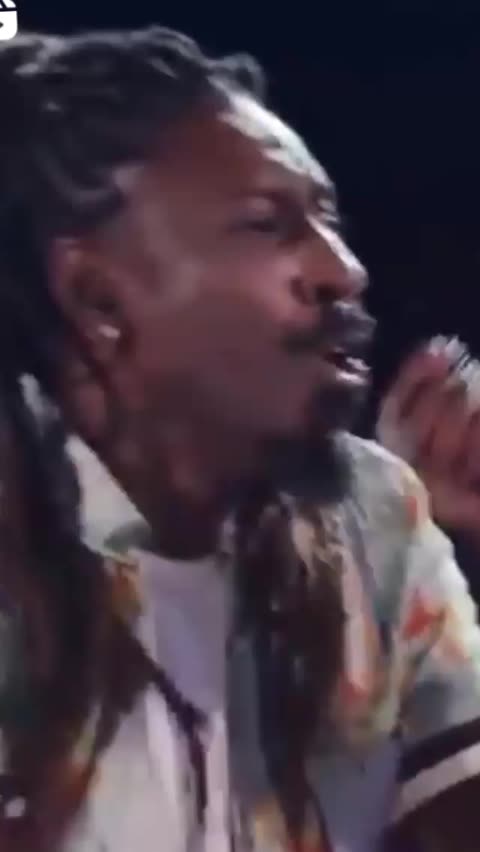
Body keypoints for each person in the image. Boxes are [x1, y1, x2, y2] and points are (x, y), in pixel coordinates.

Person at [1, 25, 480, 852]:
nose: (344, 270)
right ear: (97, 298)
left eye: (328, 220)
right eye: (268, 225)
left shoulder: (378, 521)